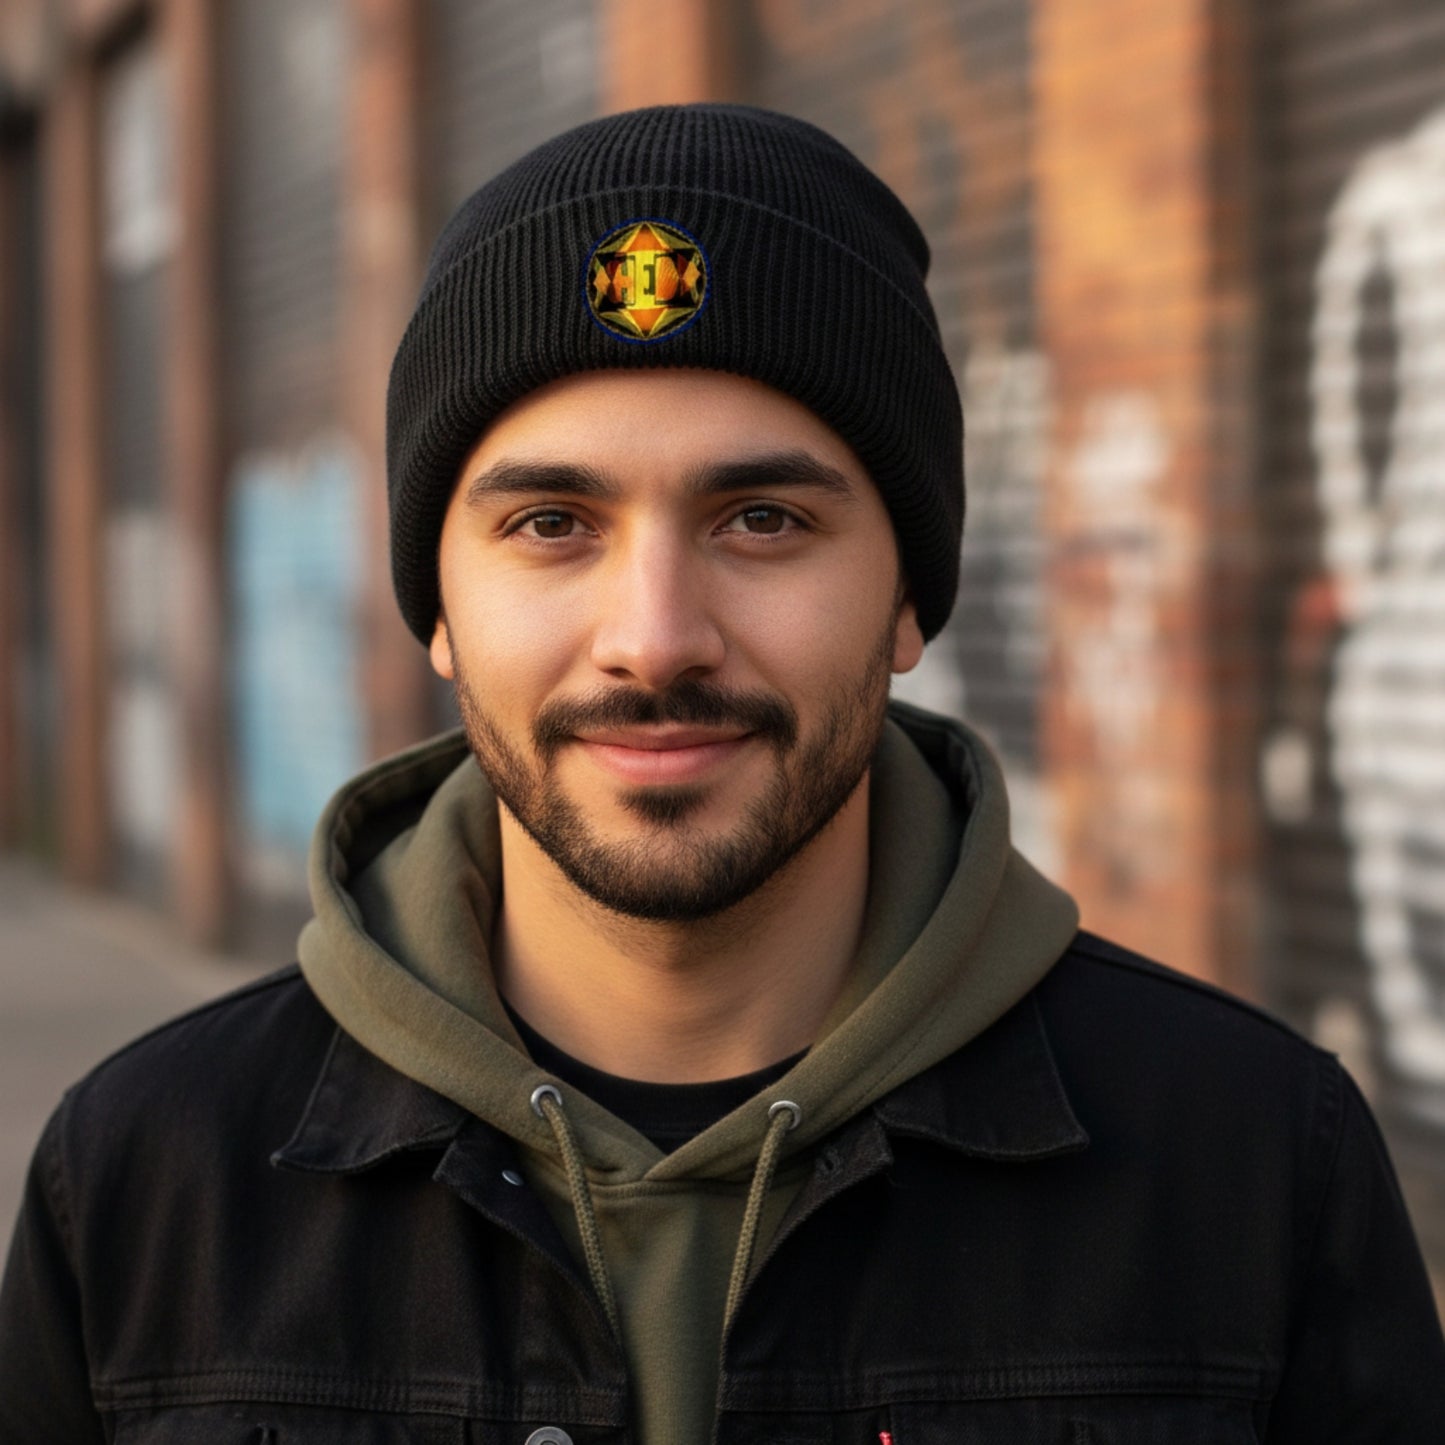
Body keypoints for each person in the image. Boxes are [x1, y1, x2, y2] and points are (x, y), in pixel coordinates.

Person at [2, 103, 1442, 1445]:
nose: (655, 639)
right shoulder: (146, 1185)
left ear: (906, 598)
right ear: (434, 605)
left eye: (760, 517)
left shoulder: (1249, 1165)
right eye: (551, 523)